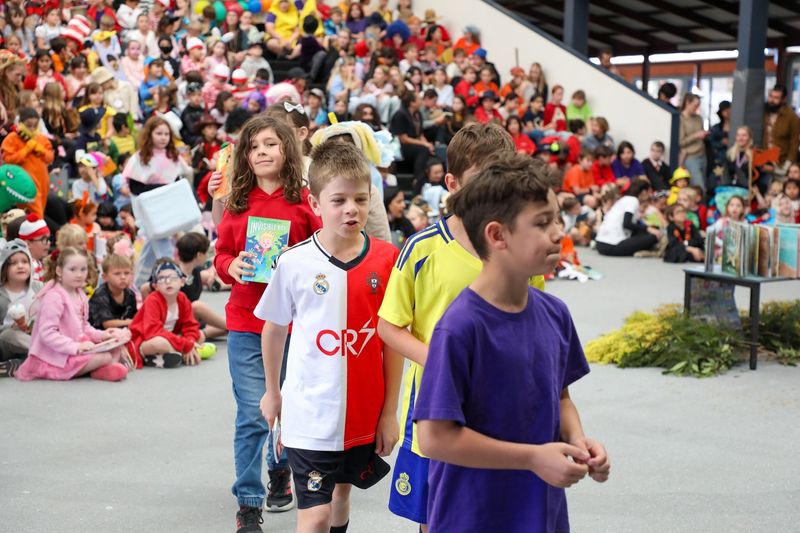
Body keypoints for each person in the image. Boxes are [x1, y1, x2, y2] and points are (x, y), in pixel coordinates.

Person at [414, 153, 609, 532]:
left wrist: (578, 441)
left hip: (540, 511)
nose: (558, 233)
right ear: (497, 235)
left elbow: (561, 399)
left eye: (557, 219)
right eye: (542, 223)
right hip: (473, 516)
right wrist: (532, 458)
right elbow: (435, 438)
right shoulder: (459, 327)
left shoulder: (555, 313)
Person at [378, 123, 546, 532]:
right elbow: (389, 326)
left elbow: (533, 324)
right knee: (435, 519)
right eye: (481, 179)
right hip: (436, 410)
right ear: (452, 183)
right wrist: (440, 360)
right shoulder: (421, 249)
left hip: (500, 408)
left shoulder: (522, 250)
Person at [257, 141, 402, 533]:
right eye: (338, 200)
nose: (351, 209)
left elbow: (392, 342)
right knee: (315, 515)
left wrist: (389, 412)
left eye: (360, 199)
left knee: (341, 495)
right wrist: (272, 392)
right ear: (315, 203)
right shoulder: (293, 262)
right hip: (308, 413)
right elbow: (274, 329)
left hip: (363, 413)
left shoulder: (388, 260)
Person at [212, 115, 321, 531]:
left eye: (271, 144)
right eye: (254, 146)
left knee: (288, 408)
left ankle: (280, 469)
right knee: (251, 414)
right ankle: (248, 501)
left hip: (295, 325)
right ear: (244, 156)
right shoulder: (237, 202)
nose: (261, 152)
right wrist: (231, 265)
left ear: (287, 149)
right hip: (245, 322)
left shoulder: (305, 201)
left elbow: (324, 250)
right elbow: (221, 254)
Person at [14, 247, 131, 382]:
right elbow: (47, 333)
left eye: (83, 269)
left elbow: (84, 326)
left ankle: (100, 369)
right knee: (105, 357)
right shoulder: (54, 297)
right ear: (59, 271)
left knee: (115, 347)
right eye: (73, 269)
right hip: (56, 357)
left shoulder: (80, 294)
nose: (79, 275)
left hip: (75, 349)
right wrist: (75, 347)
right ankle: (98, 368)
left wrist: (102, 335)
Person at [122, 116, 192, 286]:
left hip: (168, 208)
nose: (163, 137)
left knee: (149, 251)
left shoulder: (173, 156)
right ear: (150, 134)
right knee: (163, 247)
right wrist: (159, 191)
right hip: (149, 209)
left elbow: (180, 180)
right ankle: (171, 280)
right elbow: (135, 187)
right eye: (159, 133)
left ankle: (136, 286)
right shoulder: (140, 157)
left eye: (166, 134)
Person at [127, 260, 203, 369]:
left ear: (182, 282)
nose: (168, 282)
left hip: (170, 336)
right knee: (160, 343)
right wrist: (186, 344)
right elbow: (153, 331)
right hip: (145, 340)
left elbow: (190, 325)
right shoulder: (152, 300)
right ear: (155, 286)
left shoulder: (182, 298)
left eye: (173, 277)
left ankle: (163, 356)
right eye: (162, 279)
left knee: (200, 335)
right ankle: (174, 354)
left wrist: (190, 341)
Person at [0, 240, 44, 376]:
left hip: (38, 335)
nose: (20, 266)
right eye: (13, 263)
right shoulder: (1, 295)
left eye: (25, 262)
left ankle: (20, 364)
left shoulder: (39, 287)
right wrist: (11, 327)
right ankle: (48, 354)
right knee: (9, 335)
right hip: (9, 342)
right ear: (4, 268)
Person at [1, 107, 54, 218]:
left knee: (35, 214)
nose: (32, 129)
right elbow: (8, 160)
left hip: (42, 181)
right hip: (24, 183)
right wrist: (26, 150)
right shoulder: (12, 138)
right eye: (29, 125)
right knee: (37, 215)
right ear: (20, 123)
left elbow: (50, 158)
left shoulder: (41, 138)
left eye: (35, 125)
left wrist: (42, 151)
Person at [595, 179, 660, 256]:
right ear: (643, 192)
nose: (650, 195)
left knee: (646, 232)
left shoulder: (625, 199)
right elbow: (626, 224)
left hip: (600, 243)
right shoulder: (633, 200)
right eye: (649, 192)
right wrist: (648, 228)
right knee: (653, 237)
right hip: (612, 245)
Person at [390, 92, 432, 193]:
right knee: (422, 150)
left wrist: (428, 144)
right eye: (419, 99)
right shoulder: (400, 114)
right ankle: (418, 179)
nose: (421, 100)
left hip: (414, 143)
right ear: (412, 103)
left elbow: (420, 134)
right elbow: (403, 138)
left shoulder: (417, 114)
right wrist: (424, 144)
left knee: (429, 151)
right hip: (401, 146)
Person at [89, 247, 137, 330]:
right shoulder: (100, 295)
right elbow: (107, 324)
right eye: (117, 274)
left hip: (123, 332)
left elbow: (134, 315)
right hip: (101, 334)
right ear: (105, 277)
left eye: (126, 273)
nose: (123, 277)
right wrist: (130, 322)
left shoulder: (130, 294)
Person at [763, 84, 800, 169]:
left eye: (776, 98)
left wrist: (788, 163)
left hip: (782, 161)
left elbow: (795, 143)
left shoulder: (792, 117)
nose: (772, 100)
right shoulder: (764, 112)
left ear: (783, 100)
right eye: (771, 96)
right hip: (763, 160)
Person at [679, 93, 709, 192]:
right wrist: (696, 136)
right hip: (690, 156)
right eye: (695, 105)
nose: (697, 108)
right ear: (687, 103)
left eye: (698, 105)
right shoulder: (681, 119)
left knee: (703, 182)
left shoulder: (698, 118)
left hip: (702, 154)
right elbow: (681, 142)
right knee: (699, 186)